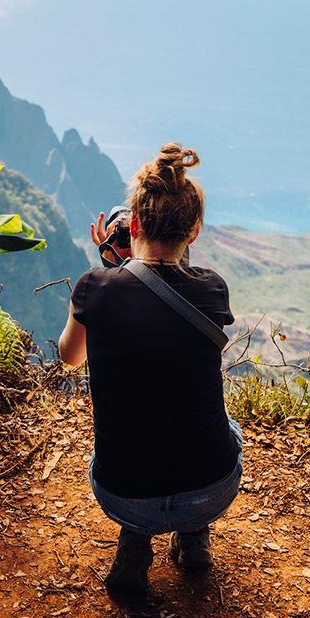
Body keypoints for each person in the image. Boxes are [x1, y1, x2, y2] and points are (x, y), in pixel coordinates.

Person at [58, 142, 242, 592]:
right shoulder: (213, 290)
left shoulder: (95, 288)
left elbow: (69, 357)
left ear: (133, 223)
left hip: (124, 493)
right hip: (212, 489)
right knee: (228, 428)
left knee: (134, 440)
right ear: (193, 233)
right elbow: (172, 305)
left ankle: (135, 545)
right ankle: (194, 537)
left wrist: (109, 267)